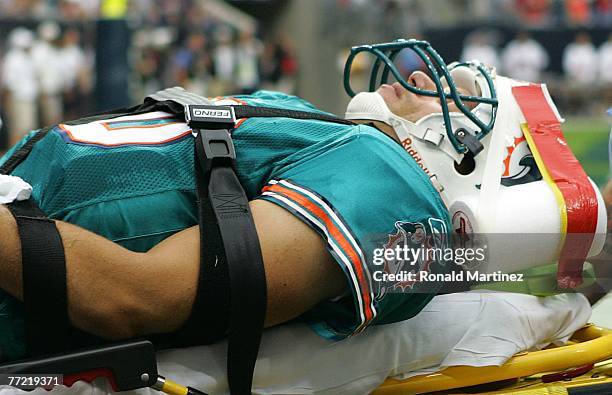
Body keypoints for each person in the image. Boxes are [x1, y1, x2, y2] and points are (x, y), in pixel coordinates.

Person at [0, 39, 608, 368]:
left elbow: (136, 295)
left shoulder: (390, 189)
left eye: (464, 98)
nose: (426, 78)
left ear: (480, 171)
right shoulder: (337, 134)